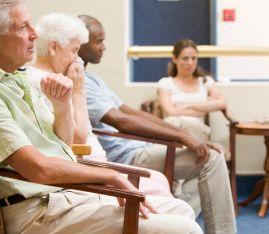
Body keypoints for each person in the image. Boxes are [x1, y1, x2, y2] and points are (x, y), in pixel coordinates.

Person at [0, 1, 202, 233]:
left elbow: (65, 146)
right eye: (23, 27)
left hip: (64, 196)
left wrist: (62, 104)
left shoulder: (17, 75)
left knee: (180, 209)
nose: (35, 33)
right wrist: (112, 177)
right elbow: (39, 169)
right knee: (185, 228)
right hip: (36, 211)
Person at [78, 15, 236, 234]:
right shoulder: (80, 83)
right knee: (211, 160)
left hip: (141, 148)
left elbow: (130, 112)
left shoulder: (94, 80)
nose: (104, 47)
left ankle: (179, 222)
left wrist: (185, 135)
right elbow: (121, 121)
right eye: (98, 41)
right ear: (79, 42)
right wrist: (183, 137)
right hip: (126, 158)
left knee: (208, 157)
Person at [27, 12, 171, 197]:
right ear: (53, 47)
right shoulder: (49, 83)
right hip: (83, 170)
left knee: (158, 180)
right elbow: (78, 138)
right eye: (74, 51)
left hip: (93, 164)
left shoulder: (57, 78)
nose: (77, 59)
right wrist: (78, 92)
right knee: (158, 187)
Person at [157, 39, 227, 140]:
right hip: (172, 131)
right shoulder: (165, 83)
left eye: (194, 58)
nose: (190, 63)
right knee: (172, 121)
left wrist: (188, 105)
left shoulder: (205, 81)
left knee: (175, 122)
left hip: (198, 132)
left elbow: (221, 103)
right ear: (175, 59)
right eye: (185, 58)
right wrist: (202, 108)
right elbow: (170, 112)